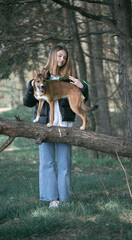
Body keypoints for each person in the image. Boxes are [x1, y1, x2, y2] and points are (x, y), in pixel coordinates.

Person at [23, 45, 88, 208]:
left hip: (65, 124)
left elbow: (83, 99)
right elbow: (27, 102)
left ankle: (64, 198)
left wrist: (83, 86)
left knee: (65, 162)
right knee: (47, 162)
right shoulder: (40, 76)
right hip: (45, 125)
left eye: (64, 57)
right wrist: (31, 86)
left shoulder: (69, 78)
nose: (62, 60)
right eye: (59, 56)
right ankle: (51, 198)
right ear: (53, 56)